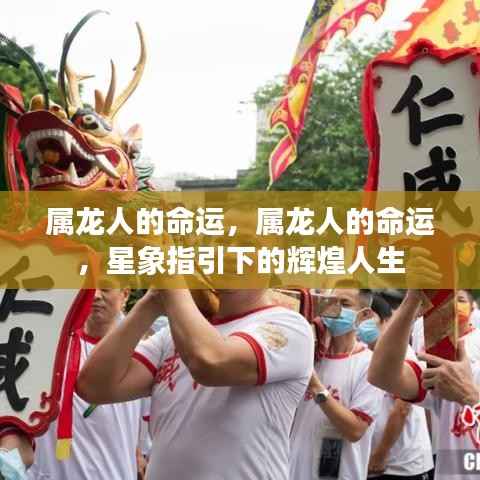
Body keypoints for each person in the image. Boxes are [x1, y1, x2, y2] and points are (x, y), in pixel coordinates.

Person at [77, 288, 314, 480]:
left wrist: (173, 283)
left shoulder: (289, 326)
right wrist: (151, 302)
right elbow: (94, 386)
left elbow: (211, 362)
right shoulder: (173, 334)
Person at [369, 250, 480, 480]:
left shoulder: (462, 382)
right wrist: (413, 298)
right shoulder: (458, 370)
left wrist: (471, 398)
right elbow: (382, 375)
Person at [26, 285, 148, 480]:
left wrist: (138, 453)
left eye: (105, 288)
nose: (96, 295)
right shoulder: (50, 345)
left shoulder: (143, 356)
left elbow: (144, 429)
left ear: (125, 294)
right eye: (88, 287)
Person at [289, 287, 382, 480]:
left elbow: (355, 430)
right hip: (293, 471)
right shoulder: (311, 354)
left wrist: (315, 386)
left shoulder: (370, 365)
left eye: (345, 303)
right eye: (331, 301)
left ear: (364, 315)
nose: (335, 308)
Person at [360, 294, 434, 480]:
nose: (363, 323)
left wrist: (381, 453)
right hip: (374, 462)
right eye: (360, 316)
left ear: (386, 320)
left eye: (369, 316)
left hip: (403, 464)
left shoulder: (400, 355)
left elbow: (401, 409)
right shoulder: (362, 353)